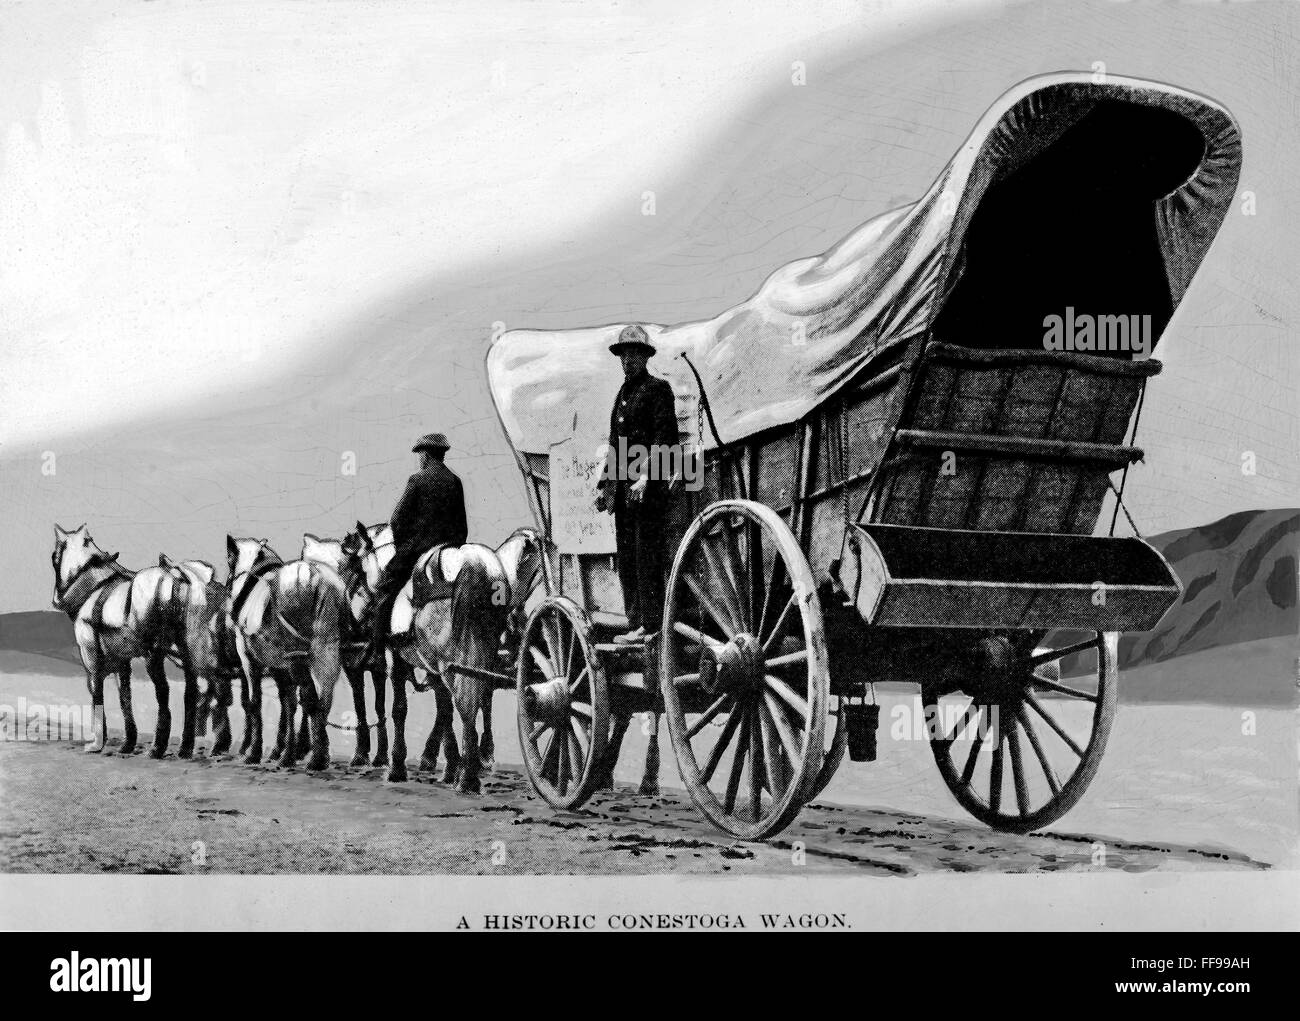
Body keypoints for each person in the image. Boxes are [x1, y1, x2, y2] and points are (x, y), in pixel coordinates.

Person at [594, 325, 678, 643]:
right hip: (624, 493)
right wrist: (605, 486)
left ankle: (651, 623)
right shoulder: (623, 394)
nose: (628, 360)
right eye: (624, 355)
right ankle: (634, 622)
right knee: (627, 557)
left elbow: (664, 438)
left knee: (647, 555)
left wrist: (646, 476)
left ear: (645, 357)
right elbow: (616, 446)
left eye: (634, 354)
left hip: (647, 491)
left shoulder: (658, 389)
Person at [371, 432, 468, 653]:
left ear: (425, 455)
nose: (419, 458)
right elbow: (462, 525)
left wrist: (405, 546)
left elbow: (397, 520)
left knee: (384, 588)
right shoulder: (455, 481)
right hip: (450, 550)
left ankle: (377, 652)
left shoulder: (417, 479)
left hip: (419, 550)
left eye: (420, 454)